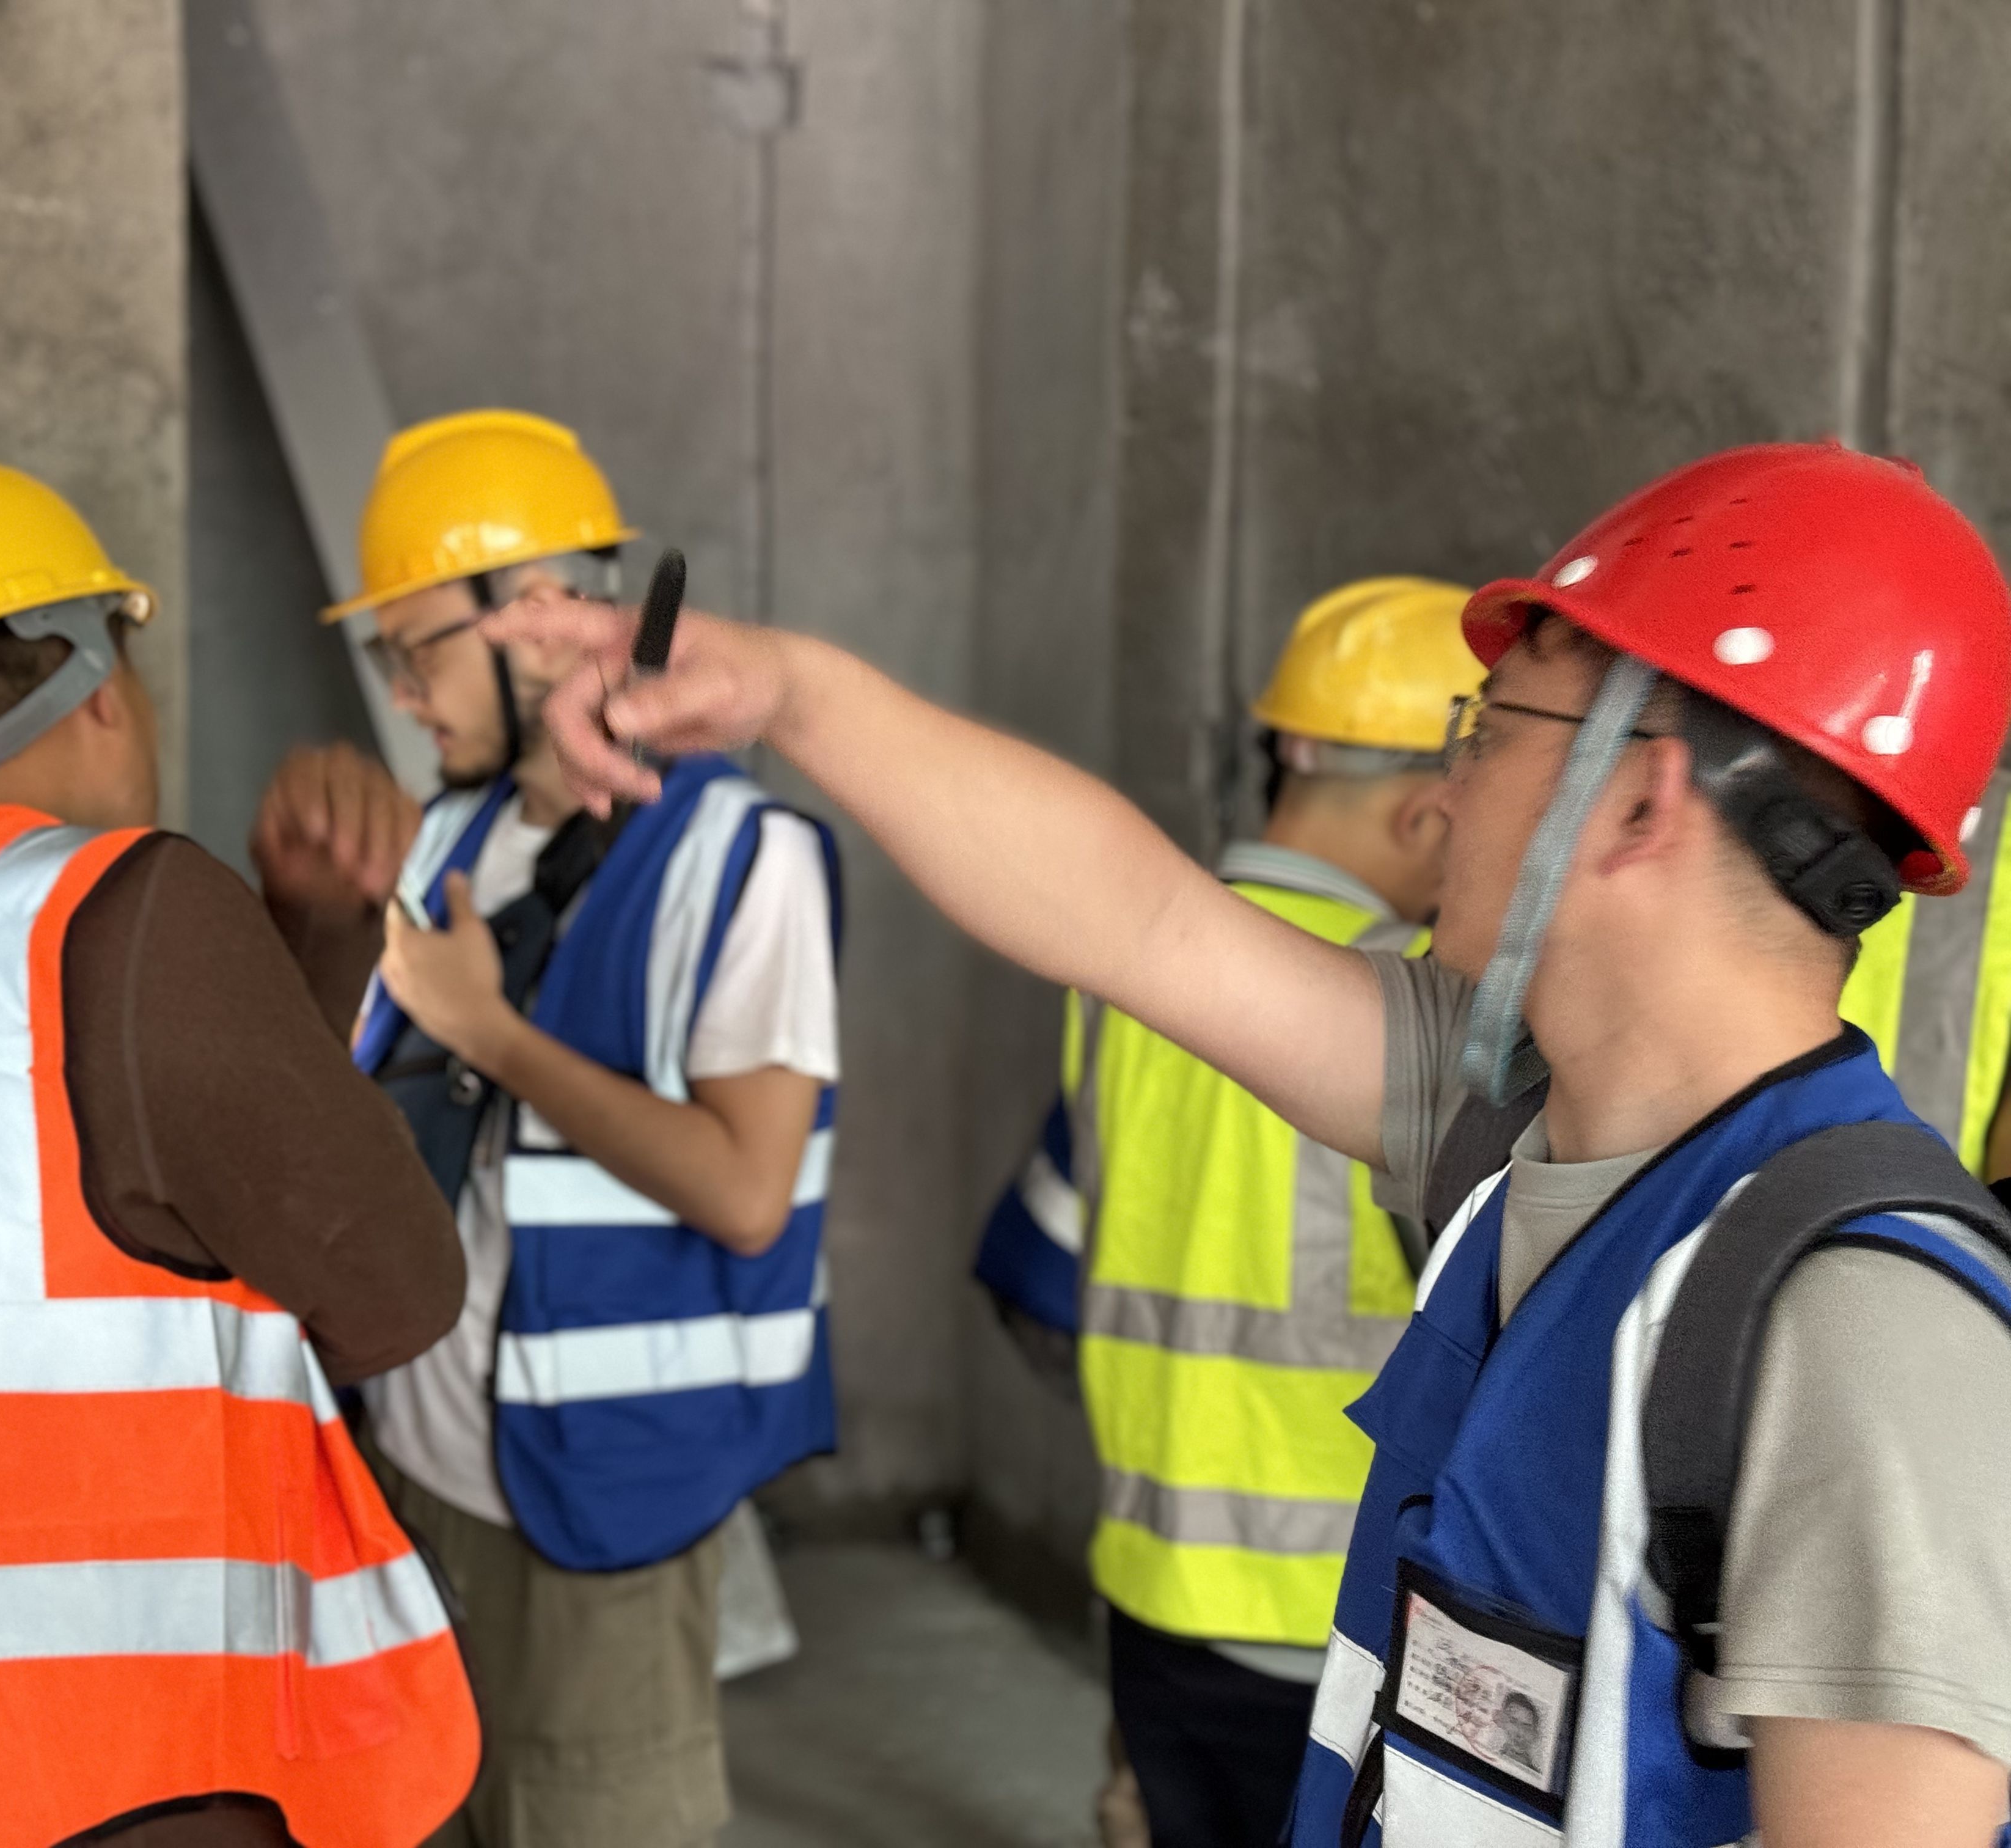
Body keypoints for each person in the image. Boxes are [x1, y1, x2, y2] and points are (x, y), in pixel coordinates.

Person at [497, 441, 2011, 1846]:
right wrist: (788, 692)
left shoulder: (1860, 1324)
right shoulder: (1515, 1129)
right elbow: (1141, 922)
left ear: (1638, 801)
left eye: (1488, 730)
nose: (1446, 790)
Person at [0, 455, 480, 1848]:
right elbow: (393, 1292)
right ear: (102, 683)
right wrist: (295, 940)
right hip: (137, 1776)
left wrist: (305, 944)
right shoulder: (128, 909)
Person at [250, 409, 843, 1848]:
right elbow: (368, 1103)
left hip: (604, 1496)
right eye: (388, 661)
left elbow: (748, 1192)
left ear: (534, 619)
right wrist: (317, 921)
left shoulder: (739, 856)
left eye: (418, 651)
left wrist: (495, 1034)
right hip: (421, 1469)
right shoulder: (454, 834)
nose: (404, 697)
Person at [974, 579, 1485, 1848]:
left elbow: (1043, 1264)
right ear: (1429, 811)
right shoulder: (1408, 1010)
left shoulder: (1127, 982)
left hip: (1148, 1582)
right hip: (1328, 1618)